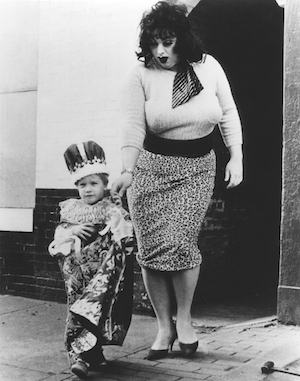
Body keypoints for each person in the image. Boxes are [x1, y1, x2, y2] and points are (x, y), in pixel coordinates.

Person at [111, 1, 243, 361]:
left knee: (181, 242)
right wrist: (127, 168)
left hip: (197, 167)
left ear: (182, 39)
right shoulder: (139, 74)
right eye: (154, 43)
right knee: (152, 250)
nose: (161, 51)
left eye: (167, 42)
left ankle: (184, 320)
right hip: (151, 168)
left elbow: (227, 111)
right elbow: (133, 124)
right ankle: (164, 327)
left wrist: (237, 155)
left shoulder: (208, 66)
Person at [48, 141, 135, 378]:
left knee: (99, 310)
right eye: (82, 184)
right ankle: (78, 356)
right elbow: (58, 239)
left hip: (101, 273)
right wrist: (72, 232)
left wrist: (118, 213)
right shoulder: (71, 209)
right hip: (77, 272)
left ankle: (94, 353)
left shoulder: (110, 209)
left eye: (94, 184)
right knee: (78, 310)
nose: (88, 189)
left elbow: (124, 236)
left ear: (104, 185)